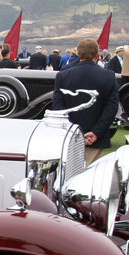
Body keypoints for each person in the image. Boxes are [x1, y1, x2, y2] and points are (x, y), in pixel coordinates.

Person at [51, 38, 119, 166]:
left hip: (69, 135)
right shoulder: (108, 76)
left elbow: (58, 107)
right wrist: (96, 132)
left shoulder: (63, 76)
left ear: (78, 53)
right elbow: (111, 108)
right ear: (97, 56)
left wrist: (72, 131)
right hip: (94, 137)